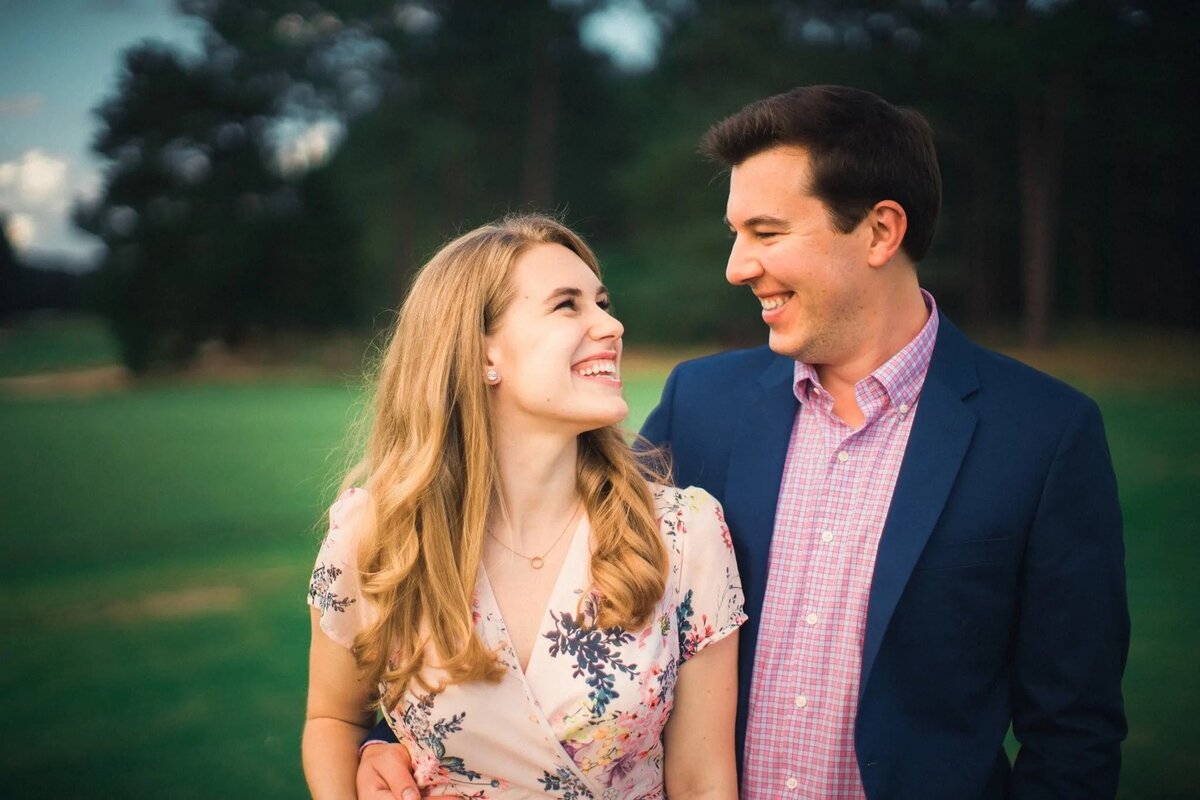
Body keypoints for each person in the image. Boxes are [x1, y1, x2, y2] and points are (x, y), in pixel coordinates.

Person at [358, 86, 1129, 799]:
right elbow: (519, 559)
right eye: (735, 234)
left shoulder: (1044, 435)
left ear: (881, 231)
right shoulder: (704, 403)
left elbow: (1073, 731)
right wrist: (380, 735)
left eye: (766, 232)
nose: (736, 267)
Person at [303, 215, 745, 800]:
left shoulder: (683, 533)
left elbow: (703, 779)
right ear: (483, 352)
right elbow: (333, 720)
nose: (611, 324)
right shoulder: (376, 534)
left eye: (603, 302)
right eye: (568, 305)